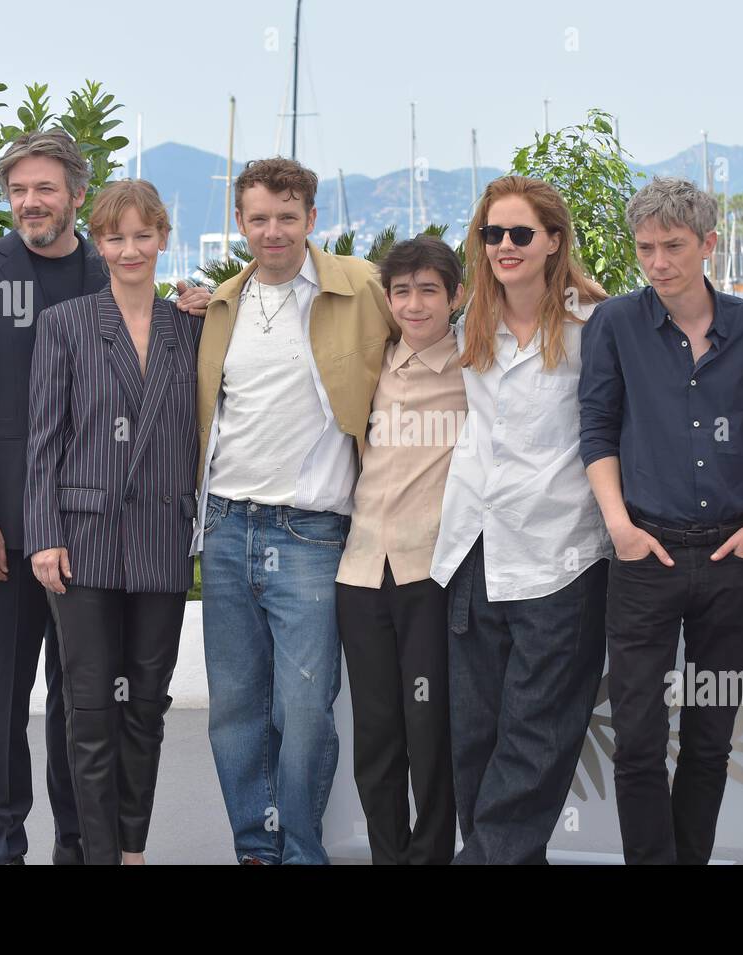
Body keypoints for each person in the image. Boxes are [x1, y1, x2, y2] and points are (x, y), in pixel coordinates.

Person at [578, 177, 743, 864]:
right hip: (644, 558)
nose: (658, 261)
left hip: (733, 558)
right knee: (637, 739)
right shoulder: (614, 324)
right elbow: (598, 430)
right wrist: (619, 523)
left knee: (710, 740)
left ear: (708, 243)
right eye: (645, 247)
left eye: (673, 246)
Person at [193, 157, 398, 865]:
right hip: (224, 525)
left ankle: (302, 851)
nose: (271, 231)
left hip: (311, 531)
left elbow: (448, 313)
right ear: (241, 223)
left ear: (313, 219)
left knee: (305, 712)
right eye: (258, 218)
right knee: (235, 712)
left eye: (286, 217)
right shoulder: (223, 302)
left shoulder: (363, 286)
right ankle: (256, 846)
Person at [0, 129, 108, 865]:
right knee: (5, 690)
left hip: (90, 521)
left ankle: (78, 843)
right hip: (2, 523)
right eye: (17, 191)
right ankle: (4, 844)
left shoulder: (111, 274)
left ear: (75, 194)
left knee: (81, 695)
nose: (29, 203)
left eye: (43, 188)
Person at [430, 175, 611, 865]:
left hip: (560, 556)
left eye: (520, 234)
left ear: (554, 241)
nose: (504, 246)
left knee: (536, 739)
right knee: (475, 739)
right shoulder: (471, 323)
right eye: (492, 234)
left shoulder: (597, 329)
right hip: (472, 552)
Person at [23, 180, 200, 865]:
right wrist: (42, 533)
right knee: (90, 711)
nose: (130, 249)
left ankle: (133, 849)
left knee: (146, 707)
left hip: (161, 540)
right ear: (99, 244)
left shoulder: (192, 326)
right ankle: (100, 855)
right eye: (116, 237)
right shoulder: (65, 324)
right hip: (82, 542)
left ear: (162, 239)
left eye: (143, 235)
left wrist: (212, 301)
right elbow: (44, 440)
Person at [335, 236, 466, 865]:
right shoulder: (370, 365)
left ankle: (431, 855)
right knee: (377, 731)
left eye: (429, 290)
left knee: (429, 728)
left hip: (430, 574)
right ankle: (387, 855)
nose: (415, 304)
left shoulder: (479, 367)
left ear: (456, 296)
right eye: (403, 291)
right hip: (360, 573)